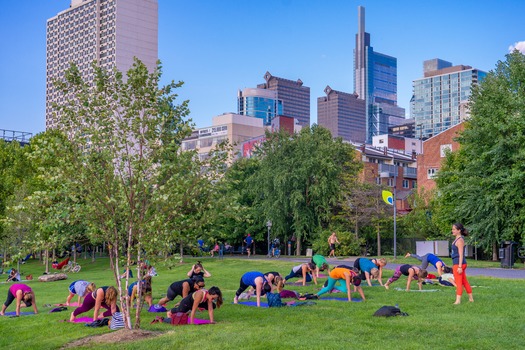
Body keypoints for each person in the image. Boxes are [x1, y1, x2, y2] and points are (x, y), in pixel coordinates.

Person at [451, 223, 474, 304]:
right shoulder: (457, 239)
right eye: (452, 229)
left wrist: (460, 267)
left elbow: (461, 255)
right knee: (464, 281)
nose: (452, 231)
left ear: (459, 230)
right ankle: (471, 299)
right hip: (457, 263)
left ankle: (458, 301)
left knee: (459, 282)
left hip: (459, 264)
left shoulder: (460, 240)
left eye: (454, 229)